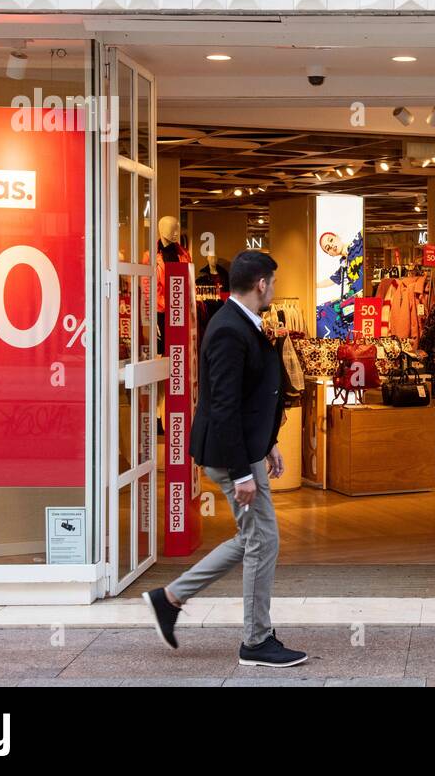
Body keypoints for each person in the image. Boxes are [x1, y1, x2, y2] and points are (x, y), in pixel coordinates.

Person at [144, 250, 307, 668]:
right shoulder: (229, 330)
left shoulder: (243, 323)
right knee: (263, 540)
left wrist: (267, 441)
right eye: (273, 281)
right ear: (262, 284)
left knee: (253, 538)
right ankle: (255, 641)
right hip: (232, 455)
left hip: (246, 450)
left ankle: (171, 598)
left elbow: (251, 397)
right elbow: (224, 406)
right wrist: (240, 473)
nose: (274, 288)